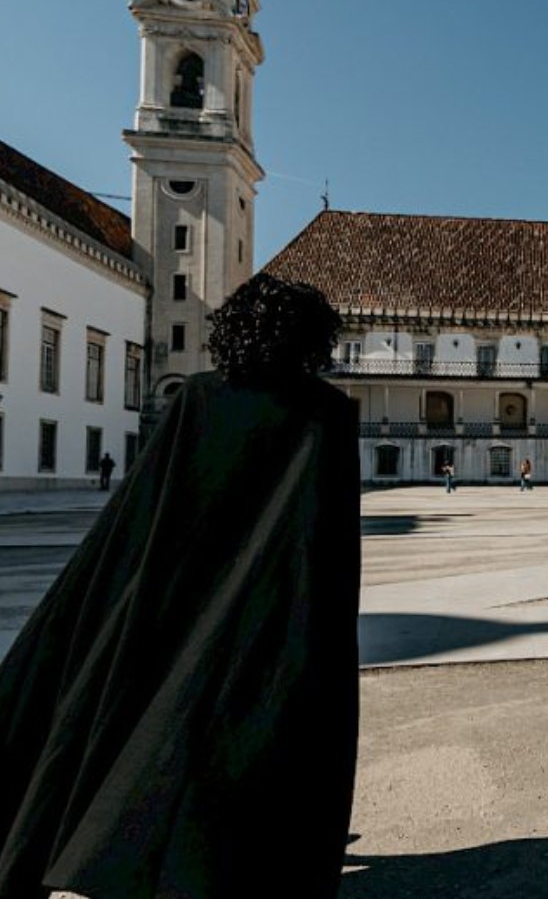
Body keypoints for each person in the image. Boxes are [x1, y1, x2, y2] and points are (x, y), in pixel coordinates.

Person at [0, 273, 361, 899]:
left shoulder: (195, 398)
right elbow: (325, 533)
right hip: (273, 597)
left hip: (180, 587)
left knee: (148, 717)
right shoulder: (326, 412)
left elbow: (144, 511)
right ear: (312, 339)